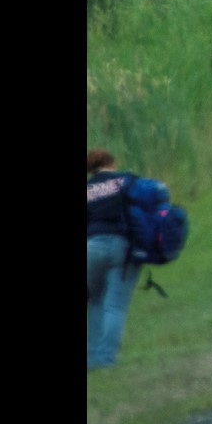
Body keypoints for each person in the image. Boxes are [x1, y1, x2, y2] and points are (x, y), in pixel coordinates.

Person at [87, 148, 143, 369]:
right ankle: (106, 359)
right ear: (111, 161)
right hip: (123, 246)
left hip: (92, 247)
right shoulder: (126, 180)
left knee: (96, 302)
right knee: (115, 306)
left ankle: (91, 358)